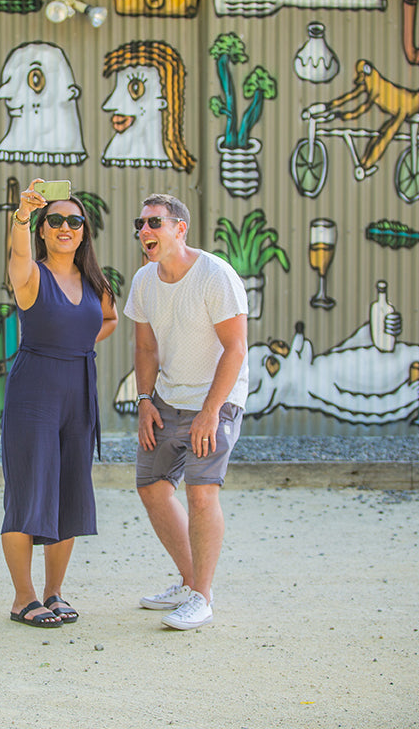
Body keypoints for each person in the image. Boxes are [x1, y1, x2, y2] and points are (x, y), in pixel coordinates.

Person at [123, 194, 249, 630]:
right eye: (140, 224)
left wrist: (211, 411)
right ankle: (189, 581)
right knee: (153, 487)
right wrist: (143, 401)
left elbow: (236, 348)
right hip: (166, 398)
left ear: (180, 228)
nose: (145, 231)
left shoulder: (215, 275)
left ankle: (203, 597)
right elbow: (144, 347)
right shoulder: (143, 281)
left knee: (201, 490)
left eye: (154, 222)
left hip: (217, 399)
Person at [1, 179, 119, 628]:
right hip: (35, 391)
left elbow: (107, 319)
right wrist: (21, 216)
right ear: (44, 230)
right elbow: (18, 254)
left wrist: (80, 342)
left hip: (79, 388)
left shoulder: (94, 280)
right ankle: (23, 598)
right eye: (56, 220)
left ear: (84, 230)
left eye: (74, 220)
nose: (65, 226)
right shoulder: (31, 274)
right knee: (29, 491)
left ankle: (54, 593)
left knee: (70, 492)